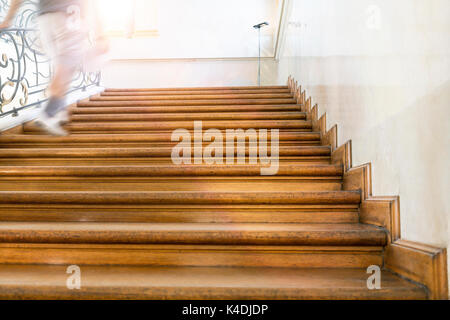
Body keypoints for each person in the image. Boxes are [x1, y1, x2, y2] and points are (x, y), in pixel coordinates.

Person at [0, 0, 108, 136]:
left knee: (63, 63)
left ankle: (59, 108)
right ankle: (49, 113)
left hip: (44, 19)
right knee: (69, 62)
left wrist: (8, 19)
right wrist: (100, 33)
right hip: (68, 15)